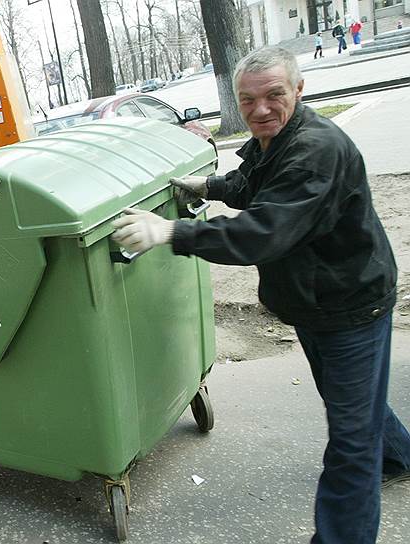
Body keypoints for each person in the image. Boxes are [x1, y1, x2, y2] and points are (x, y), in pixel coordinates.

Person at [111, 46, 410, 544]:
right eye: (247, 100)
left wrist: (173, 233)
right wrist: (208, 184)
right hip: (317, 298)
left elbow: (263, 231)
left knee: (351, 443)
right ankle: (399, 455)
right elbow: (255, 184)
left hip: (349, 306)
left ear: (299, 90)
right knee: (354, 397)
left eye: (274, 95)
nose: (260, 109)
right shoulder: (278, 138)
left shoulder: (316, 150)